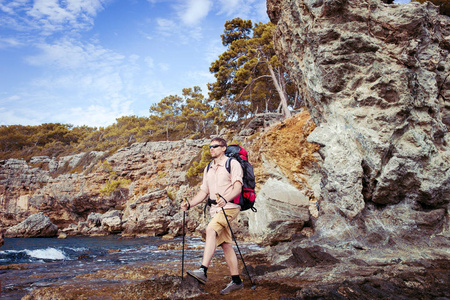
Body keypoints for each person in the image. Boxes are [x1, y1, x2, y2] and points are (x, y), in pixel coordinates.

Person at [181, 137, 244, 295]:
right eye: (210, 147)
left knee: (210, 230)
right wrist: (189, 204)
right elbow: (204, 192)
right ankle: (236, 281)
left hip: (230, 207)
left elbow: (238, 187)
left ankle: (203, 270)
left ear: (224, 148)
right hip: (215, 210)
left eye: (215, 146)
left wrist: (225, 199)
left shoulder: (232, 164)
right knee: (226, 245)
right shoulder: (208, 167)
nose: (211, 149)